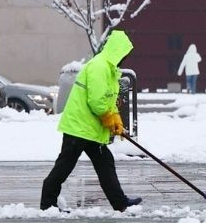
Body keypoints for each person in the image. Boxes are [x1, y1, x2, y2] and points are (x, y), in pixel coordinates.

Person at [41, 30, 143, 212]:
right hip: (79, 128)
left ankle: (120, 203)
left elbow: (108, 100)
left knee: (105, 164)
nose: (124, 59)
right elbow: (96, 102)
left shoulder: (110, 70)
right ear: (116, 51)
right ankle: (47, 204)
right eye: (123, 54)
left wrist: (116, 121)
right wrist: (110, 118)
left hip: (91, 129)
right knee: (65, 166)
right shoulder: (99, 66)